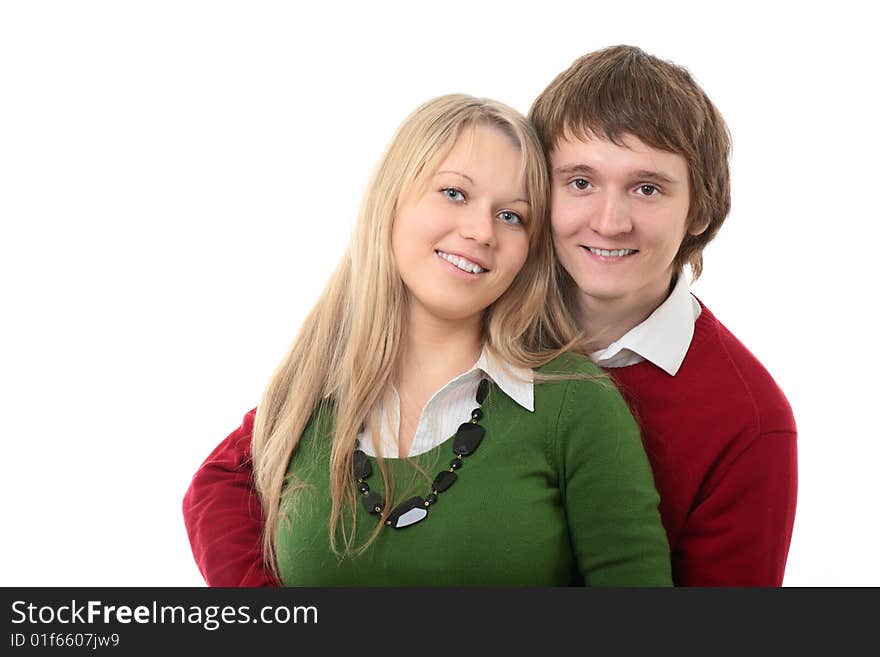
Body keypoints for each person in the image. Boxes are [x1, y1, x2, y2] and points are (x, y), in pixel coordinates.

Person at [184, 45, 797, 587]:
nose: (610, 221)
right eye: (579, 181)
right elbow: (229, 476)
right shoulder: (460, 311)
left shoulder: (745, 418)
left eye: (648, 189)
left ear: (700, 211)